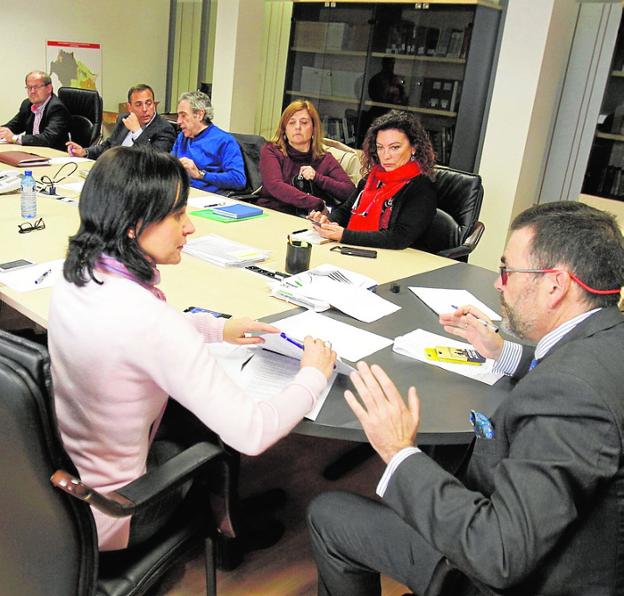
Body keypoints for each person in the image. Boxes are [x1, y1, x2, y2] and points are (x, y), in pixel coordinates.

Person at [307, 201, 624, 595]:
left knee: (330, 514)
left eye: (507, 270)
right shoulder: (607, 338)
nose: (498, 283)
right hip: (577, 539)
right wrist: (502, 351)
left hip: (519, 574)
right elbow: (569, 372)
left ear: (555, 285)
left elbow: (500, 555)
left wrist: (398, 451)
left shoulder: (570, 396)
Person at [48, 146, 336, 552]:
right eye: (178, 214)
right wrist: (313, 374)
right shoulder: (150, 321)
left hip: (68, 483)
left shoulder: (77, 274)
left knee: (193, 411)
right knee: (210, 434)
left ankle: (226, 516)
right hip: (119, 512)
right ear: (134, 225)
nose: (190, 228)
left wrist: (216, 328)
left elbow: (131, 333)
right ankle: (229, 529)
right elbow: (252, 434)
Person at [309, 110, 437, 249]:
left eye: (395, 147)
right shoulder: (372, 178)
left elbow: (398, 238)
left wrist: (344, 235)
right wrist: (328, 221)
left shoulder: (422, 187)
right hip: (354, 251)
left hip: (397, 263)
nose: (386, 155)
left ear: (414, 148)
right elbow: (346, 211)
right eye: (380, 148)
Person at [257, 99, 355, 216]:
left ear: (314, 128)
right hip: (272, 213)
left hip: (307, 220)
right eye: (291, 122)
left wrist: (317, 178)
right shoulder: (272, 150)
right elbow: (275, 185)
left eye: (304, 122)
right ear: (284, 129)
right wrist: (316, 203)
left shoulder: (324, 158)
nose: (297, 127)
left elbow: (350, 192)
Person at [66, 83, 175, 159]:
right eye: (138, 104)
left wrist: (137, 131)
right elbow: (109, 146)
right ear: (130, 107)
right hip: (113, 172)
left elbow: (154, 161)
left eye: (149, 103)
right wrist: (85, 152)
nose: (145, 109)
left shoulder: (164, 129)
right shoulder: (124, 119)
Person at [171, 91, 246, 194]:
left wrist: (200, 174)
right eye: (178, 116)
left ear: (199, 115)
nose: (178, 121)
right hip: (180, 192)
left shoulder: (224, 141)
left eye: (183, 115)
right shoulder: (182, 138)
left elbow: (238, 179)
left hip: (207, 198)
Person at [0, 70, 70, 151]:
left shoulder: (57, 108)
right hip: (31, 152)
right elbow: (13, 126)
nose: (32, 91)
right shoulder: (27, 104)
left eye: (36, 87)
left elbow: (48, 138)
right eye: (29, 88)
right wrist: (3, 132)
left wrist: (14, 138)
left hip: (53, 155)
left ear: (49, 88)